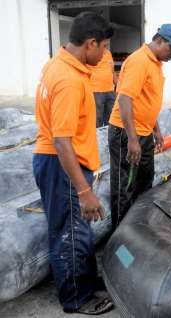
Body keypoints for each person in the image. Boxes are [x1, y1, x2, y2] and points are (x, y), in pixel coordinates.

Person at [32, 12, 114, 315]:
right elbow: (61, 140)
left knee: (74, 229)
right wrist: (83, 190)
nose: (105, 54)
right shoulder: (68, 80)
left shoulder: (58, 65)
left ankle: (85, 282)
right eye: (104, 47)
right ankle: (76, 298)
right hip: (63, 165)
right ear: (90, 44)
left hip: (59, 163)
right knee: (70, 233)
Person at [108, 24, 171, 231]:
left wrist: (157, 131)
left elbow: (147, 101)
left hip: (143, 133)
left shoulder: (156, 63)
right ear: (159, 40)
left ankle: (139, 228)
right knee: (124, 186)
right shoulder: (139, 61)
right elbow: (125, 99)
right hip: (125, 133)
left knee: (144, 182)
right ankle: (121, 235)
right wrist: (132, 140)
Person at [88, 47, 117, 127]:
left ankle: (110, 138)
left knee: (112, 118)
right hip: (96, 90)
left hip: (110, 90)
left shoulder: (108, 53)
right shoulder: (91, 52)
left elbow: (112, 70)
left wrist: (118, 85)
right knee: (97, 118)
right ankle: (97, 138)